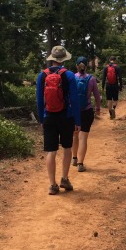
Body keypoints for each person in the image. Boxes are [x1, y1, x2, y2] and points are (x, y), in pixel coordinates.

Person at [36, 45, 81, 195]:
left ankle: (52, 185)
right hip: (66, 116)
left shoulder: (42, 76)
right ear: (63, 59)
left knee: (51, 151)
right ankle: (64, 179)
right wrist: (77, 121)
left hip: (48, 116)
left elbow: (39, 100)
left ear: (52, 59)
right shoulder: (69, 75)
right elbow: (74, 100)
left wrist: (42, 119)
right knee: (67, 148)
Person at [71, 56, 101, 172]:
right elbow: (97, 96)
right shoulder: (91, 79)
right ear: (87, 66)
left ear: (76, 66)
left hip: (74, 111)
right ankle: (80, 163)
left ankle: (74, 158)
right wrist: (98, 108)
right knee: (83, 137)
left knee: (75, 135)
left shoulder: (72, 77)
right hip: (87, 111)